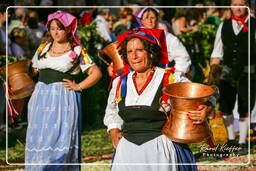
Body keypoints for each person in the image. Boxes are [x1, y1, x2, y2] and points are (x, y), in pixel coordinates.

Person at [104, 28, 214, 171]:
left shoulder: (170, 78)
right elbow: (111, 111)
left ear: (150, 52)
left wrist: (208, 108)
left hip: (161, 150)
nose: (134, 56)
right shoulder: (120, 82)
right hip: (127, 152)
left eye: (139, 50)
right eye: (130, 52)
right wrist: (114, 131)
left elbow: (207, 94)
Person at [25, 10, 102, 170]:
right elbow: (33, 71)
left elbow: (96, 73)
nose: (55, 32)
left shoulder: (77, 51)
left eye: (59, 28)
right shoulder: (43, 48)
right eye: (52, 28)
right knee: (39, 137)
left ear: (68, 29)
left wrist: (78, 86)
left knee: (58, 138)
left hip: (62, 100)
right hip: (40, 99)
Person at [209, 0, 256, 154]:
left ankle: (242, 142)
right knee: (225, 106)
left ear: (247, 6)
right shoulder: (224, 25)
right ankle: (230, 140)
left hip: (248, 70)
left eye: (241, 3)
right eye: (235, 4)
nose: (238, 7)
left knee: (245, 106)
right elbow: (217, 52)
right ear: (230, 6)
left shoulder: (254, 24)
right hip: (227, 72)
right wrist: (213, 72)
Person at [135, 7, 191, 79]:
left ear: (157, 19)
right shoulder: (136, 37)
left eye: (152, 17)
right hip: (141, 78)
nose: (149, 20)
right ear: (141, 20)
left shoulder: (167, 37)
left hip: (161, 77)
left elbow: (183, 57)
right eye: (146, 18)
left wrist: (176, 74)